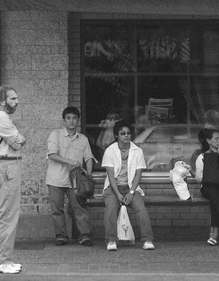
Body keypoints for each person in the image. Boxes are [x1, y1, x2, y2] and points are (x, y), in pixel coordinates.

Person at [0, 86, 27, 274]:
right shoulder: (0, 117)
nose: (17, 102)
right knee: (6, 216)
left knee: (7, 215)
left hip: (5, 167)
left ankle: (2, 259)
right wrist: (19, 138)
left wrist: (18, 139)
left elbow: (18, 140)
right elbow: (18, 141)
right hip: (5, 167)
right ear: (2, 101)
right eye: (13, 99)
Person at [102, 121, 155, 251]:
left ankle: (147, 240)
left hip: (131, 188)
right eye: (123, 133)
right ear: (116, 136)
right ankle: (111, 240)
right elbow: (111, 176)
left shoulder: (138, 151)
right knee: (111, 209)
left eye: (128, 133)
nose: (126, 135)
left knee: (140, 208)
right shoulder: (110, 151)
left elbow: (138, 175)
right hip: (113, 188)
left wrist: (131, 193)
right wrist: (118, 194)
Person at [46, 106, 95, 246]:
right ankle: (61, 236)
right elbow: (52, 154)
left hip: (76, 181)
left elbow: (89, 158)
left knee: (80, 207)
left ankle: (84, 235)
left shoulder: (83, 139)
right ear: (64, 120)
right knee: (57, 209)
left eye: (74, 118)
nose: (71, 121)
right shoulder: (55, 135)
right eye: (68, 118)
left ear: (78, 120)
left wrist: (89, 175)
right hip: (56, 178)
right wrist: (71, 162)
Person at [193, 128, 219, 246]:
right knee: (213, 192)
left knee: (215, 198)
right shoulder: (201, 157)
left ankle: (214, 234)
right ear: (208, 141)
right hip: (208, 186)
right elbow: (198, 179)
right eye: (216, 139)